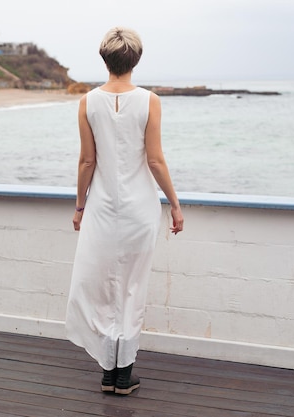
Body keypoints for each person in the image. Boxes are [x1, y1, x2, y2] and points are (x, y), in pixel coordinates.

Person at [65, 27, 184, 395]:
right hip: (139, 210)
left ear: (105, 59)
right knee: (132, 287)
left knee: (102, 287)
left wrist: (79, 205)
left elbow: (87, 161)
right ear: (136, 60)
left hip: (101, 207)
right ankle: (123, 374)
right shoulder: (150, 101)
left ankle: (106, 370)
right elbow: (155, 159)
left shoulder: (87, 102)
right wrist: (175, 205)